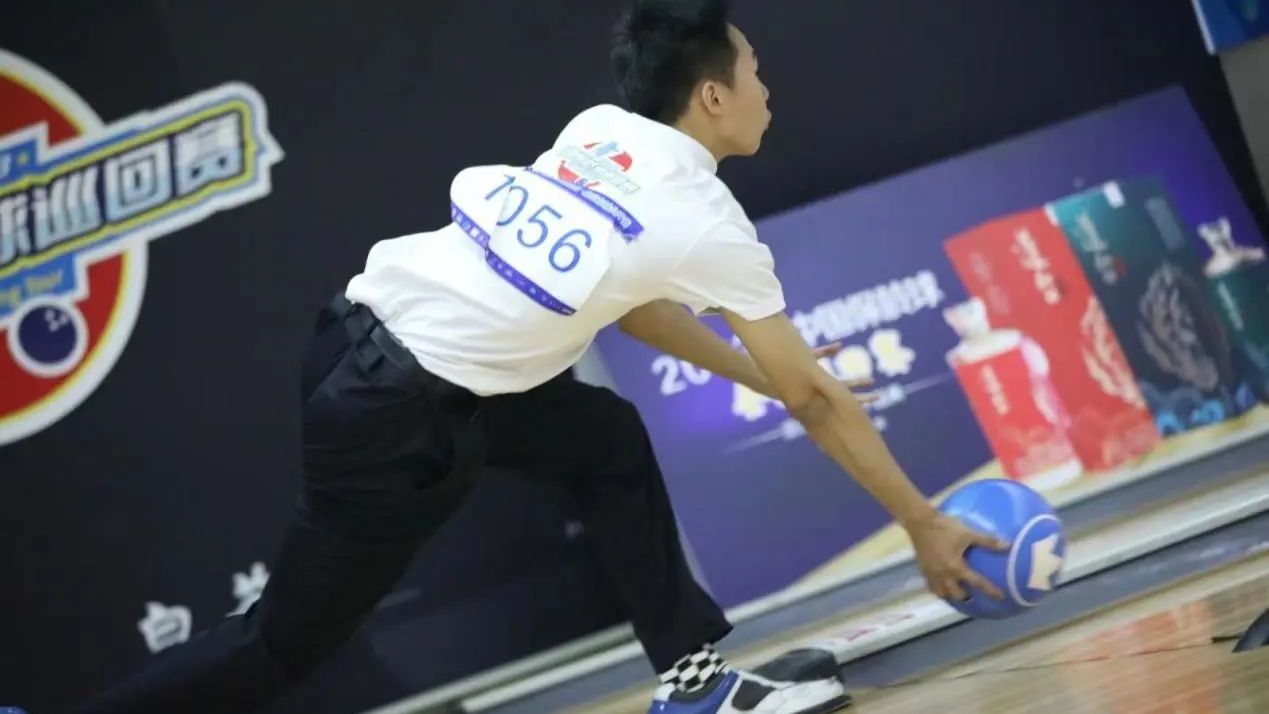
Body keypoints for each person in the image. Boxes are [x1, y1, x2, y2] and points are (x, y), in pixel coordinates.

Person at [81, 1, 1006, 713]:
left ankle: (694, 685)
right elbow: (816, 400)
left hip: (363, 341)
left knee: (604, 440)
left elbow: (640, 318)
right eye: (756, 72)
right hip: (395, 415)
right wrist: (923, 522)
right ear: (713, 96)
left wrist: (766, 376)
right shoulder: (706, 221)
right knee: (281, 640)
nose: (769, 90)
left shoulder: (600, 129)